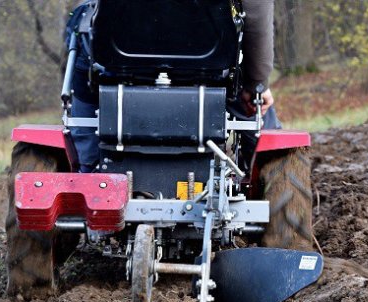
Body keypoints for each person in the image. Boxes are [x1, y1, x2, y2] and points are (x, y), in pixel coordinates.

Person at [65, 0, 279, 173]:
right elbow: (256, 12)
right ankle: (265, 176)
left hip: (120, 57)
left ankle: (89, 170)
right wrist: (256, 82)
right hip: (207, 59)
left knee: (82, 38)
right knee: (255, 104)